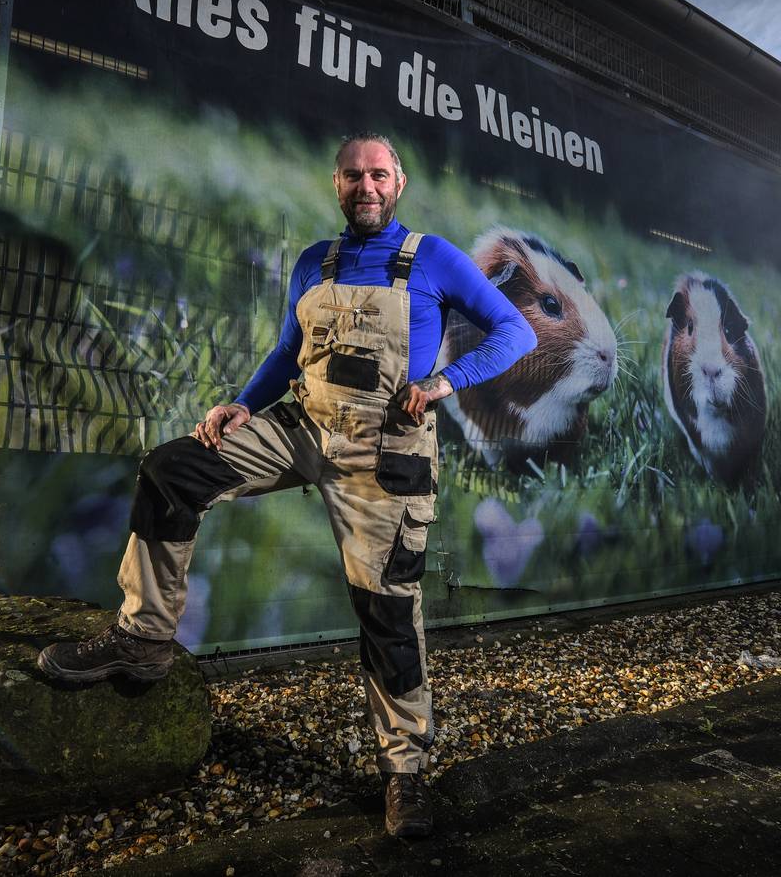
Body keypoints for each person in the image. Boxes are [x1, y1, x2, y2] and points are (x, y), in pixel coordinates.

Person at [38, 133, 537, 838]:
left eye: (378, 175)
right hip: (303, 427)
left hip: (385, 450)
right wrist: (242, 403)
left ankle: (405, 772)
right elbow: (285, 352)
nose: (365, 186)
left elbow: (515, 332)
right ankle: (144, 637)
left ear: (399, 183)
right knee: (173, 469)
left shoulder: (434, 259)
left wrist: (447, 382)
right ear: (336, 184)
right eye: (352, 175)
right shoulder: (315, 262)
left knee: (387, 613)